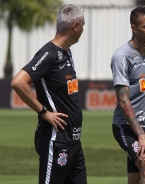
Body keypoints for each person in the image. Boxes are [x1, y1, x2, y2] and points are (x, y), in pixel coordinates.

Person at [11, 4, 87, 184]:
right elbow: (18, 82)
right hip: (56, 140)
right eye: (83, 24)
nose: (84, 29)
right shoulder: (48, 54)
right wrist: (44, 112)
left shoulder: (66, 52)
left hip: (74, 141)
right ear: (75, 26)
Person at [110, 6, 145, 184]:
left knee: (136, 177)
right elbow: (123, 100)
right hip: (127, 127)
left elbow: (141, 87)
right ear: (133, 27)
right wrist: (140, 135)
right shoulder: (122, 56)